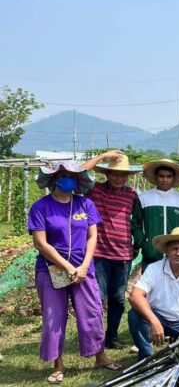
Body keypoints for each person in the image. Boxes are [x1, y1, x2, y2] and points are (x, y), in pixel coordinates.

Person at [29, 161, 121, 384]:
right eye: (63, 176)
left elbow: (92, 237)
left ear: (79, 181)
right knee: (54, 316)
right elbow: (41, 243)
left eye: (72, 176)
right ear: (53, 180)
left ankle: (100, 356)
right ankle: (58, 365)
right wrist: (68, 267)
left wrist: (83, 265)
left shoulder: (85, 205)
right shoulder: (41, 207)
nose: (68, 179)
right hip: (51, 270)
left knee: (92, 312)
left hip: (83, 269)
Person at [85, 152, 140, 350]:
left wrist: (137, 244)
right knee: (97, 298)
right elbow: (81, 172)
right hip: (99, 254)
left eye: (123, 174)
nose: (119, 177)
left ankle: (112, 336)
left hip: (123, 255)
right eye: (114, 173)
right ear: (106, 173)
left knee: (117, 299)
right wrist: (103, 156)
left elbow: (136, 222)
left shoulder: (132, 194)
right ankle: (95, 337)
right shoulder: (95, 190)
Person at [128, 227, 179, 361]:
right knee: (134, 315)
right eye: (174, 249)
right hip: (157, 315)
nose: (178, 253)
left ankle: (178, 342)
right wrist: (154, 321)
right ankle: (146, 358)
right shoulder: (154, 268)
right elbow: (135, 295)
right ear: (167, 251)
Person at [131, 158, 179, 272]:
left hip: (175, 256)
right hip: (151, 255)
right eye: (161, 176)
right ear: (156, 177)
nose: (165, 179)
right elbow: (135, 223)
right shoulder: (144, 198)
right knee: (150, 288)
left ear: (174, 178)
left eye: (169, 176)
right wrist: (144, 243)